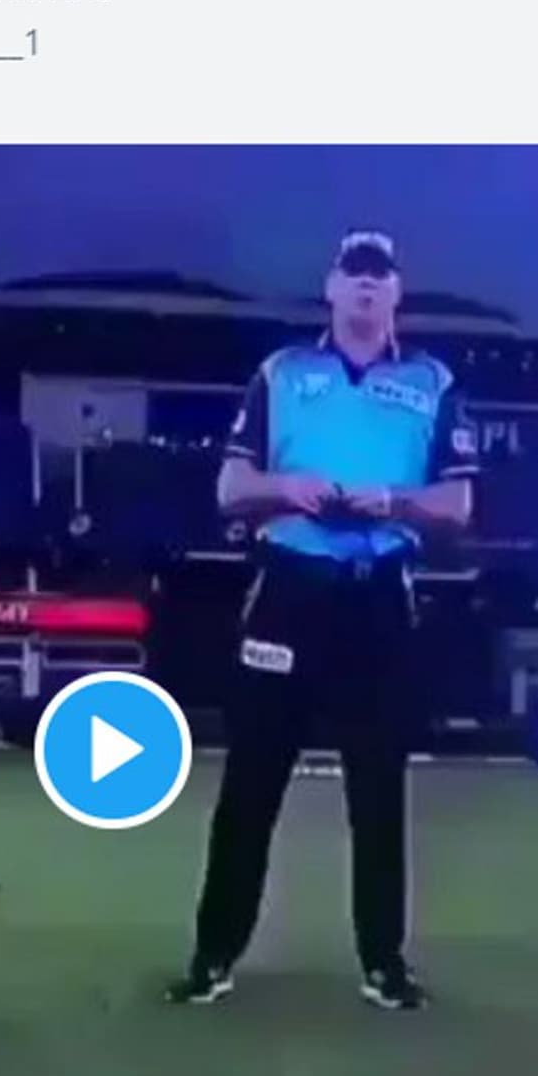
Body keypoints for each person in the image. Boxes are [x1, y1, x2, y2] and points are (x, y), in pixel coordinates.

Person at [167, 230, 479, 1012]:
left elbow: (458, 504)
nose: (366, 286)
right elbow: (230, 488)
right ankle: (213, 956)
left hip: (377, 596)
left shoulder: (432, 381)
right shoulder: (283, 373)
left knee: (378, 790)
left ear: (396, 292)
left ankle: (384, 964)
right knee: (252, 783)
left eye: (379, 275)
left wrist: (393, 501)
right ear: (332, 287)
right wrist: (289, 486)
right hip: (289, 591)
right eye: (354, 273)